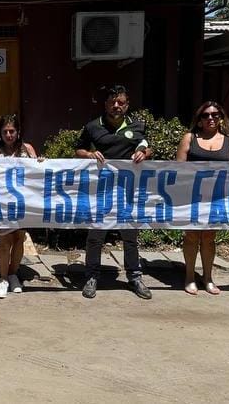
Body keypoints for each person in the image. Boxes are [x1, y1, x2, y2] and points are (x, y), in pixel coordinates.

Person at [75, 84, 154, 300]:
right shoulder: (93, 126)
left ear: (127, 105)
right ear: (106, 104)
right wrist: (89, 154)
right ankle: (92, 277)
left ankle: (135, 277)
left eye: (121, 102)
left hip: (128, 193)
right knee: (95, 237)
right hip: (100, 193)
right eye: (112, 102)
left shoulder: (138, 126)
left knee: (130, 237)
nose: (116, 106)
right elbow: (78, 149)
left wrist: (144, 153)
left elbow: (147, 146)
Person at [175, 101, 229, 295]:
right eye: (205, 115)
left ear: (221, 117)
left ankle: (208, 277)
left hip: (217, 198)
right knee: (192, 235)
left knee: (210, 237)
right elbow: (178, 168)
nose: (210, 118)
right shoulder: (189, 138)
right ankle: (189, 276)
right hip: (192, 197)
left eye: (214, 114)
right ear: (199, 119)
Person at [0, 114, 43, 299]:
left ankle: (13, 275)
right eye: (5, 132)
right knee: (5, 241)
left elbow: (37, 173)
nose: (9, 135)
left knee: (19, 239)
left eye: (12, 131)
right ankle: (2, 279)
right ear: (0, 134)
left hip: (24, 203)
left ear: (18, 132)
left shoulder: (28, 149)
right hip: (3, 205)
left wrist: (41, 162)